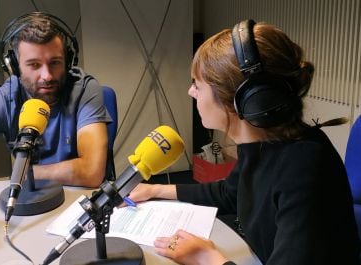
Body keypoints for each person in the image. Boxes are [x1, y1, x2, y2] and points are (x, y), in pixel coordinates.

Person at [127, 20, 361, 264]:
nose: (191, 92)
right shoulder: (265, 143)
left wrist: (208, 258)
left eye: (197, 84)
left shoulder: (303, 168)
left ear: (242, 100)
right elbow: (231, 192)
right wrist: (156, 190)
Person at [0, 12, 111, 252]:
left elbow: (91, 171)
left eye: (55, 62)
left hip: (84, 210)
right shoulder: (5, 99)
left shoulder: (86, 91)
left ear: (68, 59)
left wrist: (27, 174)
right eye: (34, 65)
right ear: (13, 66)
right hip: (31, 214)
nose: (46, 75)